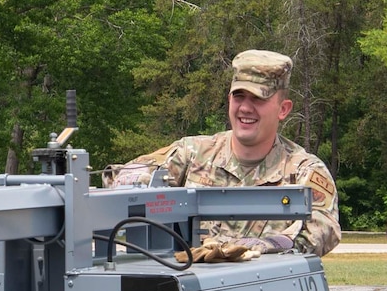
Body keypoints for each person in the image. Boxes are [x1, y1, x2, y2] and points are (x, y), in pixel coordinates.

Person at [102, 49, 341, 258]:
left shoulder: (303, 171)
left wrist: (266, 246)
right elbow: (123, 180)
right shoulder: (192, 154)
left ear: (283, 109)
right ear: (229, 100)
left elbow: (322, 229)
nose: (246, 107)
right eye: (239, 96)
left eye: (258, 99)